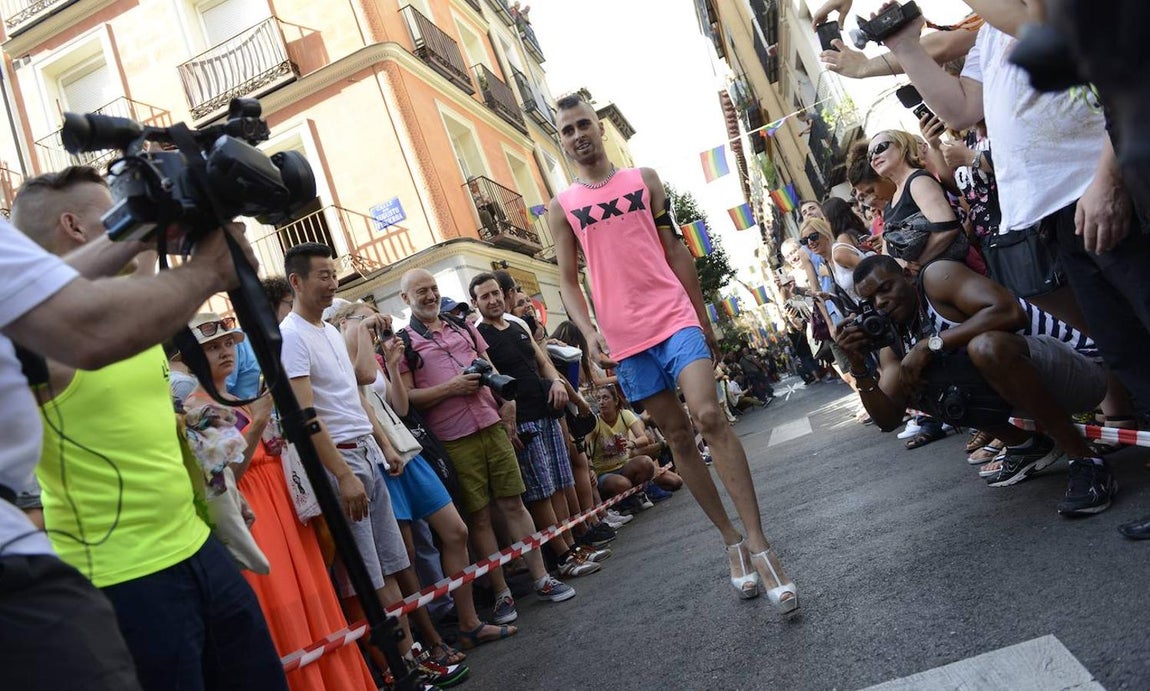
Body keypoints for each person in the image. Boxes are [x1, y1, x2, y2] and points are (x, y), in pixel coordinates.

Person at [1, 166, 277, 690]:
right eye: (116, 208)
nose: (130, 218)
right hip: (122, 579)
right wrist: (205, 266)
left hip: (197, 549)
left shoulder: (128, 306)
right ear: (75, 227)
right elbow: (83, 316)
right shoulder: (47, 340)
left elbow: (142, 270)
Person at [548, 92, 798, 614]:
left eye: (583, 124)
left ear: (598, 127)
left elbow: (676, 249)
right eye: (567, 130)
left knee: (709, 415)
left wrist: (701, 316)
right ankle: (730, 540)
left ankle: (759, 542)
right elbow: (568, 281)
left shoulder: (645, 181)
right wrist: (588, 331)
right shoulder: (562, 207)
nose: (578, 135)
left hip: (673, 314)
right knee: (678, 435)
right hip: (624, 335)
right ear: (562, 139)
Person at [183, 314, 376, 691]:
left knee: (317, 607)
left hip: (285, 512)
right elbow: (224, 482)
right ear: (190, 356)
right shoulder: (196, 408)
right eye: (212, 347)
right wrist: (257, 422)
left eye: (228, 343)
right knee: (286, 614)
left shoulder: (236, 400)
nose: (226, 351)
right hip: (256, 520)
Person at [279, 243, 444, 683]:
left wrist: (382, 444)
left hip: (367, 452)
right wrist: (341, 474)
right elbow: (304, 417)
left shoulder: (331, 332)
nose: (332, 282)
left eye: (334, 274)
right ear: (297, 282)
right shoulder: (291, 337)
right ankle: (397, 668)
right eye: (323, 275)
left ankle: (410, 656)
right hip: (342, 463)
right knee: (366, 577)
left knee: (391, 563)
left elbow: (355, 393)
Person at [837, 255, 1114, 515]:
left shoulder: (936, 277)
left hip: (1081, 374)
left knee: (985, 347)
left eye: (885, 288)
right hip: (1030, 393)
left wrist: (931, 345)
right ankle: (1025, 445)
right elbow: (887, 418)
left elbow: (1009, 311)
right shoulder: (893, 332)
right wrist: (859, 366)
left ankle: (1086, 460)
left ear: (908, 275)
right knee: (911, 375)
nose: (881, 302)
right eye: (871, 299)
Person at [330, 300, 516, 653]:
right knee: (406, 557)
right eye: (364, 316)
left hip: (404, 450)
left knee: (455, 530)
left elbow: (399, 407)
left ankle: (468, 622)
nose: (375, 322)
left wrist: (395, 364)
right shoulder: (341, 356)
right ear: (344, 324)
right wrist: (361, 330)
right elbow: (362, 379)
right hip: (380, 456)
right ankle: (429, 640)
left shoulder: (370, 352)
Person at [397, 268, 576, 626]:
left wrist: (505, 401)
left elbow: (490, 367)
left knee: (513, 502)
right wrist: (452, 388)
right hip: (453, 437)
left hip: (491, 423)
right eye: (422, 292)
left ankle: (541, 577)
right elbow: (405, 402)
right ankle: (501, 592)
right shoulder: (403, 344)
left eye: (433, 288)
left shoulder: (463, 326)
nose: (430, 296)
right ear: (406, 300)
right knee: (478, 515)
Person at [469, 272, 608, 577]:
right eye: (485, 296)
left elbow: (543, 361)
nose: (493, 300)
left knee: (560, 483)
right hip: (523, 422)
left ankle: (573, 547)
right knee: (541, 492)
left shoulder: (518, 324)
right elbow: (489, 381)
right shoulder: (478, 334)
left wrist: (557, 382)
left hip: (549, 411)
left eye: (495, 293)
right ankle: (561, 557)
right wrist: (508, 422)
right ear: (475, 302)